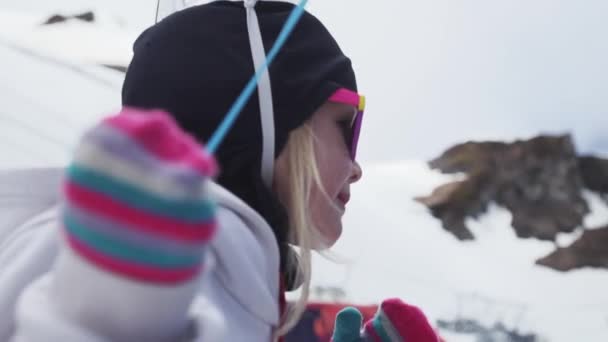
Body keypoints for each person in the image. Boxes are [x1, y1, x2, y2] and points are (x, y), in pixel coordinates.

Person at [0, 1, 366, 341]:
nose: (356, 167)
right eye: (346, 126)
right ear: (266, 122)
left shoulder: (235, 265)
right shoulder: (169, 250)